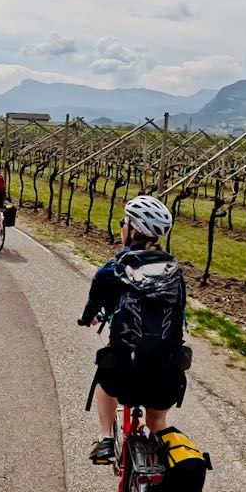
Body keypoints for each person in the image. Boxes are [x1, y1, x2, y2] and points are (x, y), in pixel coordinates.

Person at [77, 195, 187, 465]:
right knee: (157, 420)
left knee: (104, 381)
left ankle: (105, 439)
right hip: (167, 372)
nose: (121, 227)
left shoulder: (113, 270)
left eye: (124, 222)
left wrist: (87, 319)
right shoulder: (175, 273)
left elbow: (93, 306)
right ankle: (161, 479)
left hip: (125, 371)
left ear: (133, 228)